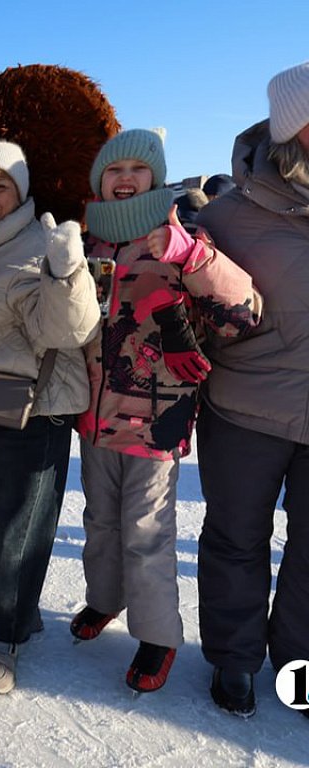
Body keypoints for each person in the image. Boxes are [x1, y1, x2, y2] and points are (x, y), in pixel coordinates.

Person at [72, 129, 261, 694]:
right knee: (99, 521)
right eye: (113, 170)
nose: (125, 178)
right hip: (95, 412)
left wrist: (191, 257)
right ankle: (104, 599)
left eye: (137, 168)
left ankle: (158, 635)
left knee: (147, 532)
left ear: (156, 178)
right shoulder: (90, 243)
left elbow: (244, 311)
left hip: (156, 418)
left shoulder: (182, 237)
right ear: (99, 182)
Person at [0, 141, 100, 693]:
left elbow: (70, 331)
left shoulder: (38, 246)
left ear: (21, 192)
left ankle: (1, 643)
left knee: (15, 532)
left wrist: (67, 268)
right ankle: (16, 616)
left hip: (35, 410)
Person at [195, 60, 309, 720]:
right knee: (236, 538)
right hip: (245, 411)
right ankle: (234, 660)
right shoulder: (230, 216)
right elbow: (190, 315)